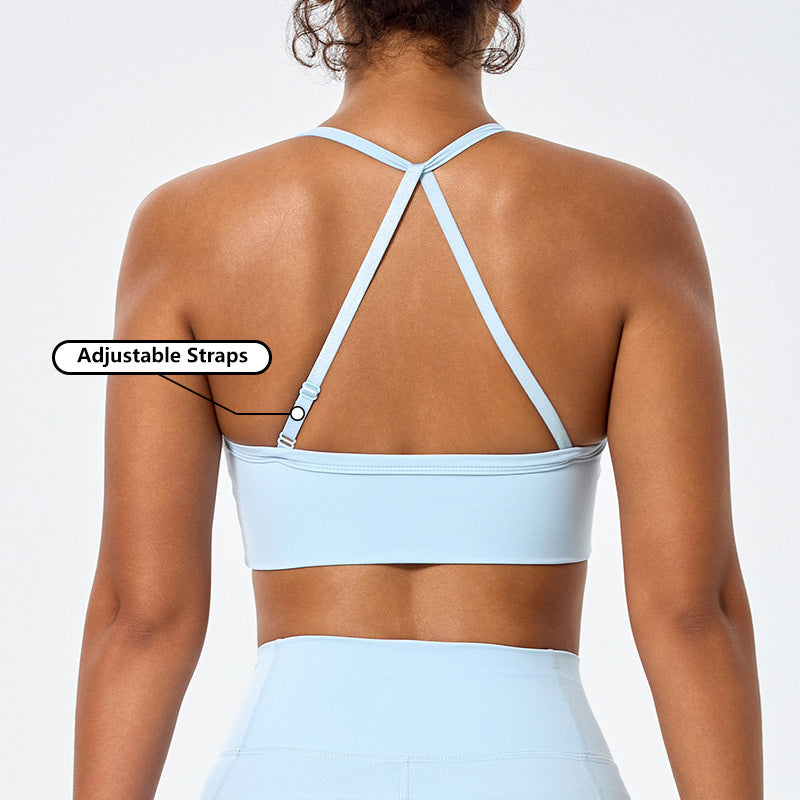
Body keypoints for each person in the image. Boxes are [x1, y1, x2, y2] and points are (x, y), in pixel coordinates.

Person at [72, 1, 763, 798]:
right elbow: (692, 614)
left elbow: (141, 617)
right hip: (540, 769)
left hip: (287, 769)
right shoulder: (632, 223)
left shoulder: (188, 227)